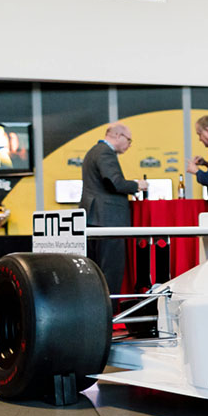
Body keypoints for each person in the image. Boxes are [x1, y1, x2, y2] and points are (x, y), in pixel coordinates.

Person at [80, 122, 148, 294]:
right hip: (108, 220)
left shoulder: (94, 151)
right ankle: (109, 315)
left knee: (96, 271)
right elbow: (114, 182)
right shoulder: (105, 152)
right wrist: (136, 185)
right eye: (129, 140)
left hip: (95, 218)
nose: (129, 145)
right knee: (110, 271)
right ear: (118, 136)